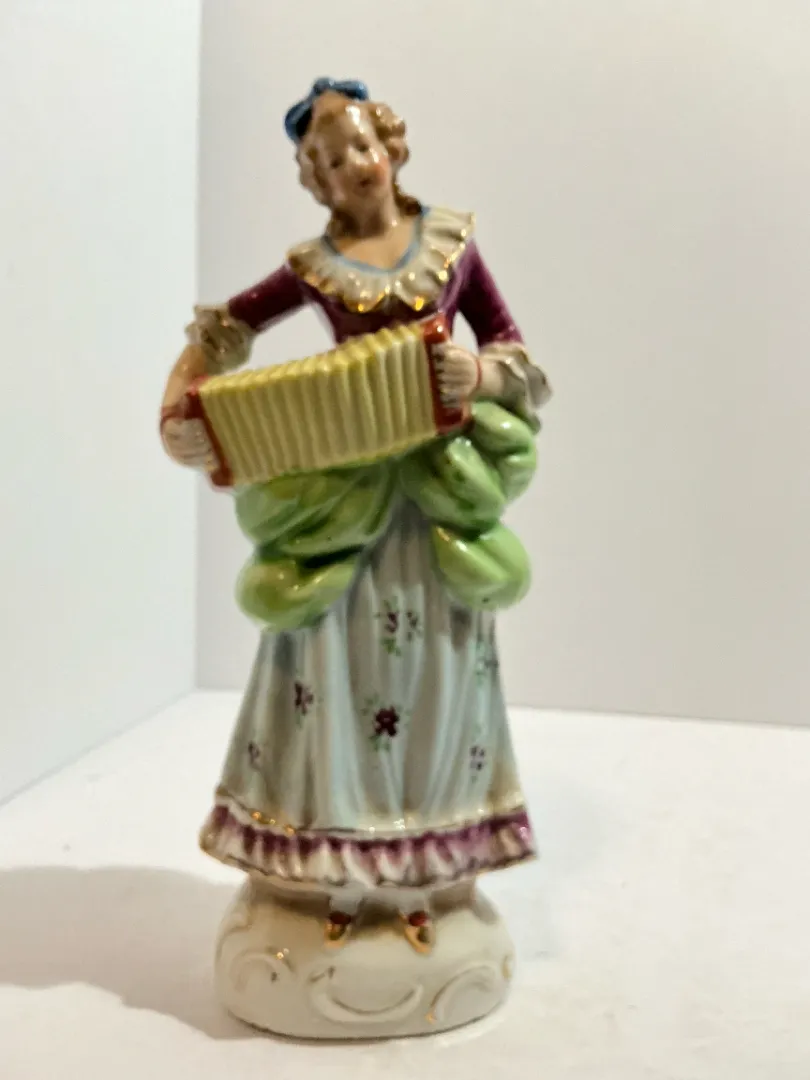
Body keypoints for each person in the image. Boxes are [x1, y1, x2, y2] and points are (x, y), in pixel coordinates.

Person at [160, 77, 551, 954]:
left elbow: (516, 352)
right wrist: (181, 399)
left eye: (362, 148)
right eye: (329, 163)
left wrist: (479, 374)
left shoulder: (451, 246)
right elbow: (226, 328)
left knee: (436, 674)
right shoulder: (314, 268)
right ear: (316, 182)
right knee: (336, 673)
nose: (353, 169)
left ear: (392, 148)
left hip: (439, 495)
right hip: (346, 499)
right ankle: (335, 871)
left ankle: (424, 872)